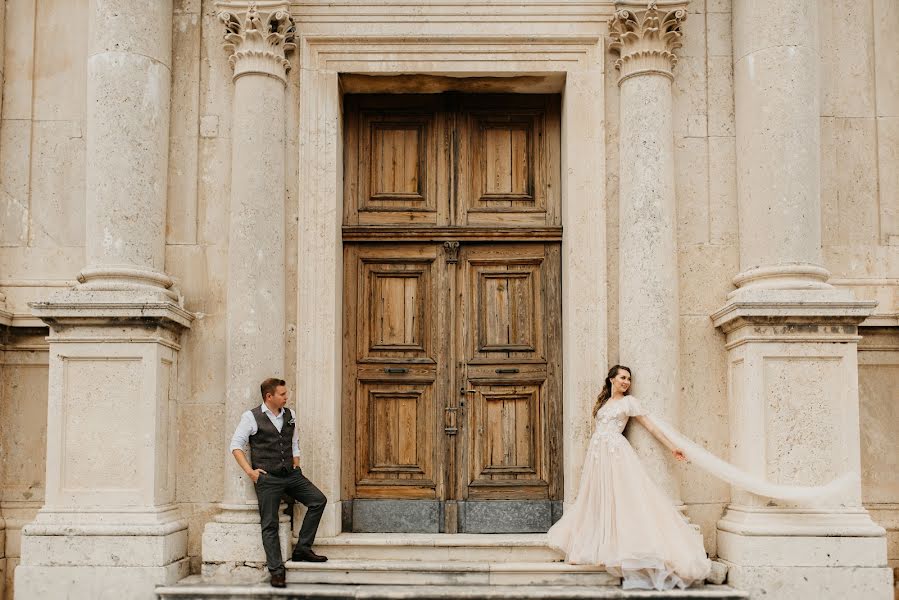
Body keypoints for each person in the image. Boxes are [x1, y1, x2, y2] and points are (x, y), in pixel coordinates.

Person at [547, 365, 711, 590]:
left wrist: (672, 447)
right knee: (596, 499)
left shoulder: (629, 403)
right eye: (623, 378)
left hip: (616, 454)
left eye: (629, 379)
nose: (626, 382)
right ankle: (590, 548)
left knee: (622, 499)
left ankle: (616, 549)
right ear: (612, 379)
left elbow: (651, 427)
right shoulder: (603, 403)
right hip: (597, 456)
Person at [229, 378, 328, 588]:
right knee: (270, 524)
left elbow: (294, 442)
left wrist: (296, 463)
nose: (286, 397)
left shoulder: (290, 415)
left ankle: (302, 549)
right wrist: (251, 473)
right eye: (282, 394)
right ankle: (276, 571)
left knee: (318, 500)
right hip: (268, 479)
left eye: (286, 394)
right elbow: (236, 446)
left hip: (291, 474)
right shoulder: (251, 417)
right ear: (269, 396)